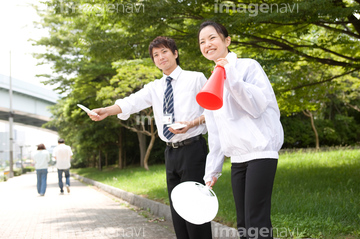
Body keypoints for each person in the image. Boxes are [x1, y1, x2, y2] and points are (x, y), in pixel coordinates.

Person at [88, 36, 212, 239]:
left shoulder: (196, 78)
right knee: (178, 210)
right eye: (155, 55)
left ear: (175, 53)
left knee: (195, 211)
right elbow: (131, 102)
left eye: (164, 51)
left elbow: (213, 112)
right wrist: (106, 111)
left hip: (193, 149)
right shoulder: (155, 87)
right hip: (170, 152)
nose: (160, 57)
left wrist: (191, 123)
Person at [198, 21, 284, 239]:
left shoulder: (248, 67)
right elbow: (216, 131)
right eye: (202, 41)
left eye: (212, 38)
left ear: (227, 41)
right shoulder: (210, 82)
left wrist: (229, 72)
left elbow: (255, 107)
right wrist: (212, 171)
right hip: (237, 159)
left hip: (261, 153)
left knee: (257, 221)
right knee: (244, 224)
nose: (207, 44)